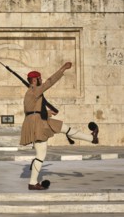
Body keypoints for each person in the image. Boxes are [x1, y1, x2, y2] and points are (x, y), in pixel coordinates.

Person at [20, 62, 99, 190]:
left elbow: (31, 110)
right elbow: (50, 82)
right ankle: (33, 183)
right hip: (38, 124)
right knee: (40, 154)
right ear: (34, 80)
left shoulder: (30, 92)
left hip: (39, 120)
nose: (42, 80)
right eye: (39, 78)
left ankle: (92, 138)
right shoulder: (34, 90)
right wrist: (62, 68)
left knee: (65, 128)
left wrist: (46, 112)